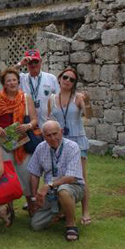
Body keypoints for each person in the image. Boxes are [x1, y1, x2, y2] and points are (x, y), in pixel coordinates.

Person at [27, 121, 86, 241]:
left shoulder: (72, 147)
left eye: (55, 134)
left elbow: (71, 177)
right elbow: (34, 173)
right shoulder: (40, 148)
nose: (53, 138)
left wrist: (48, 185)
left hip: (72, 187)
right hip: (51, 192)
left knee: (63, 191)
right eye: (48, 135)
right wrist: (34, 197)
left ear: (61, 132)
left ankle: (71, 225)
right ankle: (61, 211)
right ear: (43, 136)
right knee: (36, 225)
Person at [0, 67, 38, 209]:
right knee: (6, 174)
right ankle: (9, 208)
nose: (12, 83)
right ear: (4, 84)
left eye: (14, 80)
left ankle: (31, 205)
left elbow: (34, 120)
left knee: (26, 173)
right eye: (8, 81)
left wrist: (28, 126)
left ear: (18, 81)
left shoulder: (25, 98)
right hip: (4, 142)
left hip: (22, 141)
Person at [48, 67, 92, 226]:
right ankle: (63, 209)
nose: (67, 81)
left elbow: (90, 115)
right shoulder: (52, 99)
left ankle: (85, 211)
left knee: (81, 177)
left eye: (72, 80)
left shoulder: (78, 97)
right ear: (59, 79)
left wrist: (87, 103)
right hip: (60, 142)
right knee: (60, 176)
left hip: (77, 139)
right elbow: (50, 120)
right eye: (65, 77)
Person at [17, 49, 59, 124]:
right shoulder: (21, 78)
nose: (33, 65)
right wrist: (20, 64)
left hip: (47, 123)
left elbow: (59, 100)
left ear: (40, 61)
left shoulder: (51, 78)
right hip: (27, 124)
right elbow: (5, 77)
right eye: (30, 62)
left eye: (36, 62)